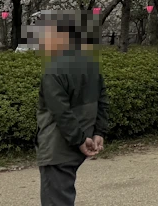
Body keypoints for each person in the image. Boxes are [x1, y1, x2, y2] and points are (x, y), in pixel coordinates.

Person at [36, 11, 109, 206]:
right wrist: (98, 132)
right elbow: (102, 102)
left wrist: (78, 140)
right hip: (83, 139)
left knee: (56, 200)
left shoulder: (53, 71)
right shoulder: (91, 66)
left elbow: (60, 112)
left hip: (58, 147)